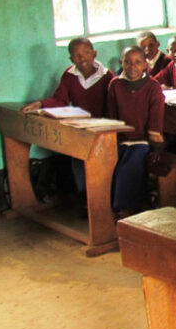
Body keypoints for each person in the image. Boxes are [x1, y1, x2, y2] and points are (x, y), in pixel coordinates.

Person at [22, 37, 114, 196]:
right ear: (72, 59)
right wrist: (41, 104)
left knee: (95, 157)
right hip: (80, 127)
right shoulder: (69, 75)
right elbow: (60, 99)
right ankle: (84, 196)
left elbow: (113, 105)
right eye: (77, 55)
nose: (82, 58)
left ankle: (100, 196)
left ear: (94, 53)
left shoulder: (107, 76)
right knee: (77, 155)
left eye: (86, 53)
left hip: (103, 127)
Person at [107, 47, 165, 216]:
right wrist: (112, 140)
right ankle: (136, 201)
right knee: (107, 160)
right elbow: (111, 116)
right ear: (121, 63)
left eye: (138, 62)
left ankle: (123, 208)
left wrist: (156, 147)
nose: (132, 67)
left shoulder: (153, 87)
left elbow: (156, 120)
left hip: (144, 140)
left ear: (146, 65)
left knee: (132, 159)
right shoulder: (115, 84)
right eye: (128, 62)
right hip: (121, 139)